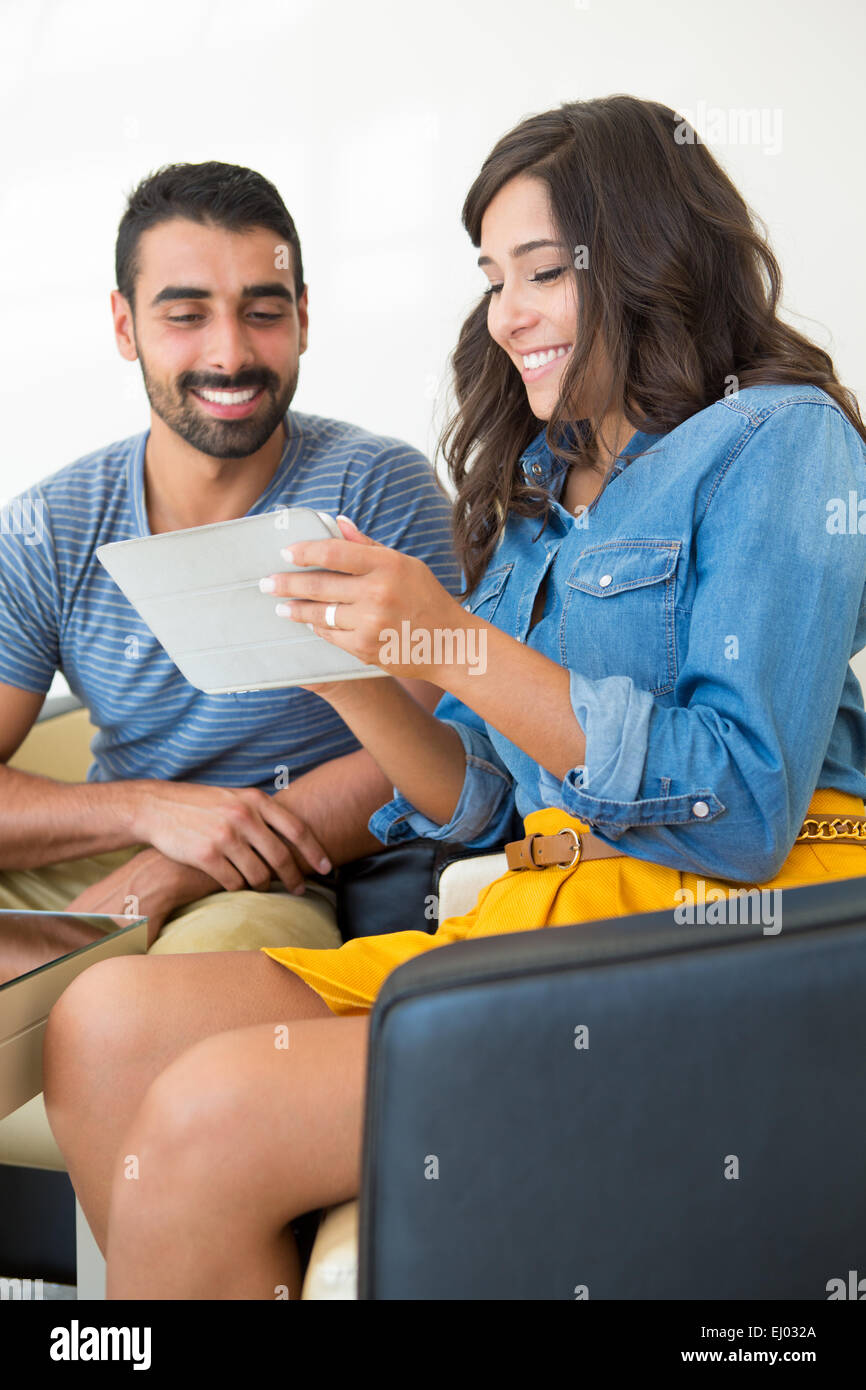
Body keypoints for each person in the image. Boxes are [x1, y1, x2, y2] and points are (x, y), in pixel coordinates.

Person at [44, 95, 866, 1299]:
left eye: (540, 272)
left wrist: (444, 632)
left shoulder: (777, 441)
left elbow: (738, 807)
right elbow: (478, 802)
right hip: (538, 913)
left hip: (721, 937)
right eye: (491, 276)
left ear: (644, 256)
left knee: (209, 1118)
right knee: (101, 1021)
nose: (505, 314)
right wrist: (350, 671)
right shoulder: (537, 491)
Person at [0, 161, 459, 962]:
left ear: (304, 318)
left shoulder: (377, 487)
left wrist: (180, 867)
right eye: (185, 315)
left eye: (264, 311)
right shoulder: (49, 527)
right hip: (104, 847)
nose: (231, 353)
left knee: (142, 1016)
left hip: (281, 870)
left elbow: (430, 751)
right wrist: (150, 814)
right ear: (124, 325)